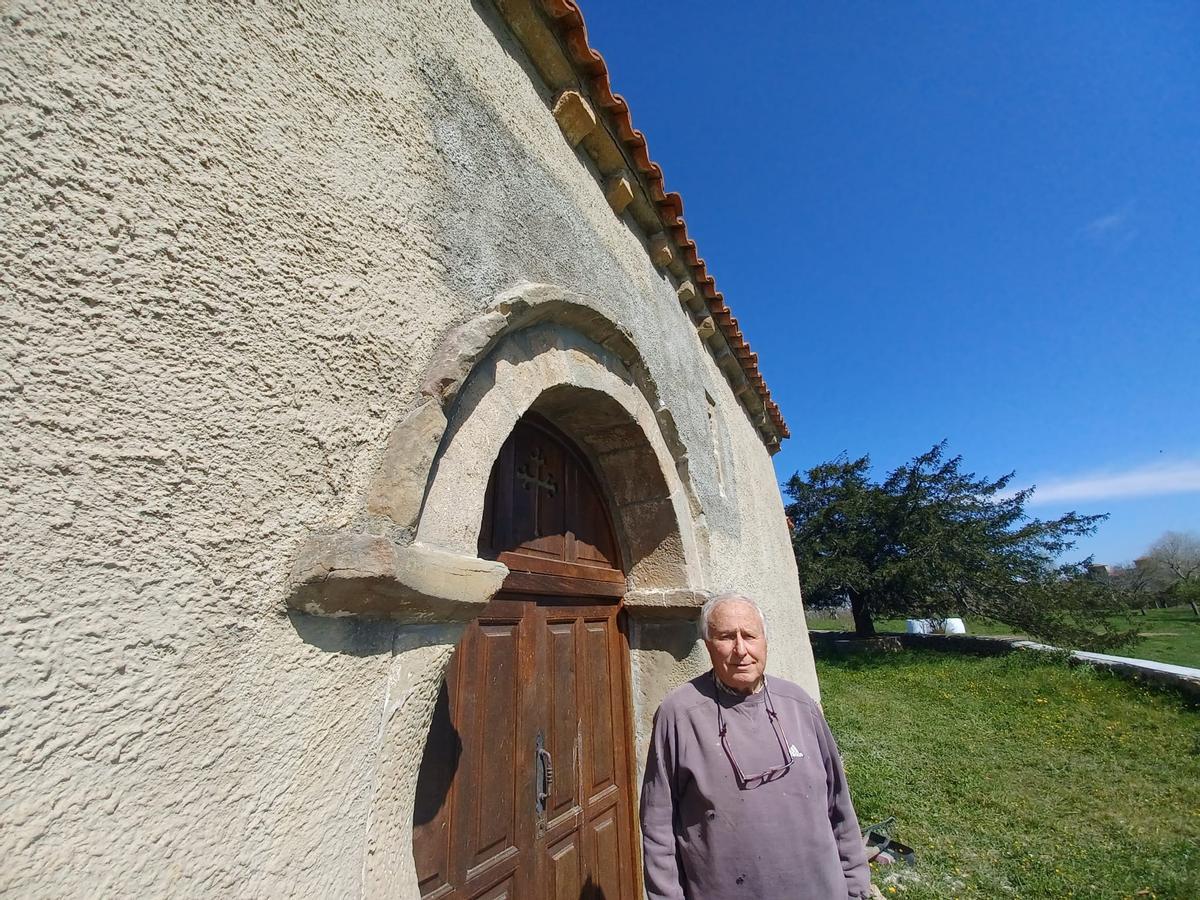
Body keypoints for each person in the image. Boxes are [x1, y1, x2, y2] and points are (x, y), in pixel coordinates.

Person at [640, 592, 872, 900]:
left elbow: (839, 804)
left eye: (749, 635)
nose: (741, 649)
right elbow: (657, 827)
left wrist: (855, 885)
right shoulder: (679, 714)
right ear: (709, 646)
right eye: (726, 637)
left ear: (764, 641)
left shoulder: (799, 704)